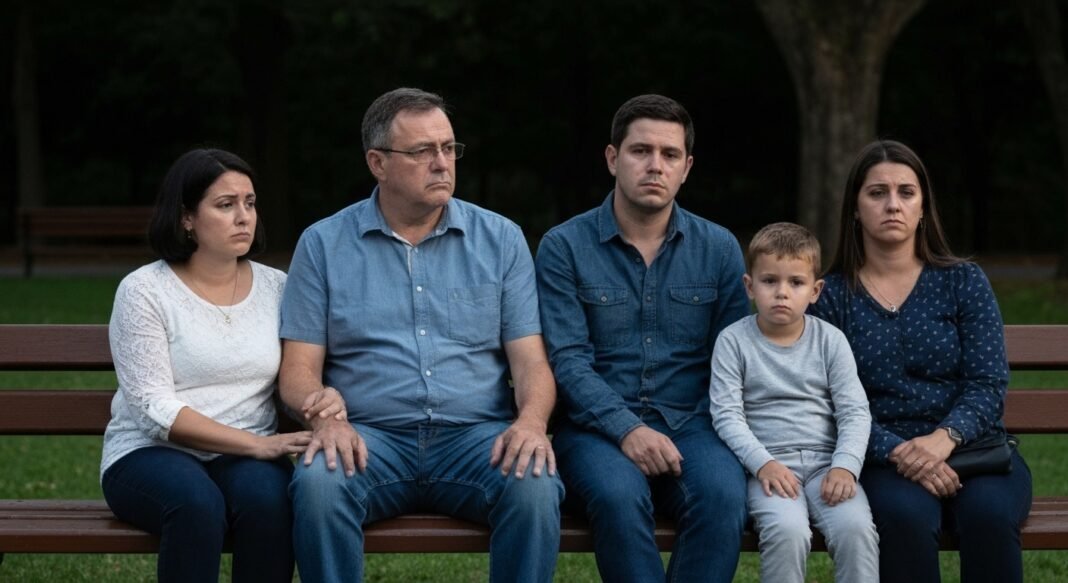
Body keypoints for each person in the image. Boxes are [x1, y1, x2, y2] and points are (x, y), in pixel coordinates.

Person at [278, 87, 564, 583]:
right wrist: (323, 416)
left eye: (449, 148)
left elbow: (531, 363)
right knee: (320, 482)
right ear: (378, 163)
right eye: (422, 151)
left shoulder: (500, 239)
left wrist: (532, 423)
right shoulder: (323, 244)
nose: (442, 163)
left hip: (476, 439)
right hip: (368, 437)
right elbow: (298, 369)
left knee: (533, 482)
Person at [100, 148, 343, 583]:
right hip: (149, 454)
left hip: (247, 455)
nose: (244, 217)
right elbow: (153, 409)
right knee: (196, 504)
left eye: (249, 203)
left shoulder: (277, 287)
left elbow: (301, 369)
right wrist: (256, 445)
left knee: (271, 502)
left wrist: (323, 398)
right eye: (225, 205)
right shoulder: (144, 291)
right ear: (186, 218)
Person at [535, 94, 749, 582]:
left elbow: (735, 359)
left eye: (670, 154)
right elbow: (567, 360)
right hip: (594, 430)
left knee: (722, 496)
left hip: (694, 424)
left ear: (686, 167)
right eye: (640, 151)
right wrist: (627, 429)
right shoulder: (564, 247)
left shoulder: (718, 248)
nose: (655, 165)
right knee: (618, 495)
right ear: (613, 158)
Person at [809, 139, 1033, 583]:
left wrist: (943, 441)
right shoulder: (830, 297)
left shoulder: (963, 281)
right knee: (905, 518)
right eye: (877, 193)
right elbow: (825, 400)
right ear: (855, 209)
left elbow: (988, 382)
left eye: (906, 192)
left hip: (974, 449)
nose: (893, 204)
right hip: (881, 456)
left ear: (923, 207)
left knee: (989, 516)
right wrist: (901, 452)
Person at [708, 222, 879, 582]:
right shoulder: (733, 341)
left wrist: (846, 466)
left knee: (856, 530)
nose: (782, 293)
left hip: (827, 467)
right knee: (788, 532)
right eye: (769, 281)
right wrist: (763, 464)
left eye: (796, 283)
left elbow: (854, 412)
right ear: (749, 286)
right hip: (769, 469)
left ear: (815, 290)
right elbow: (726, 415)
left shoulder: (830, 341)